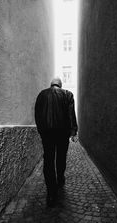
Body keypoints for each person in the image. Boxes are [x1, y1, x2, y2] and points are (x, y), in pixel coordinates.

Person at [34, 77, 78, 207]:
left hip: (47, 132)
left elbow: (37, 114)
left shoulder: (42, 94)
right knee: (61, 156)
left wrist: (41, 130)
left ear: (51, 84)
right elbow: (71, 114)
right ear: (60, 85)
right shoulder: (67, 94)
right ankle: (60, 179)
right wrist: (73, 131)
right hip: (62, 132)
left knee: (48, 160)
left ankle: (51, 194)